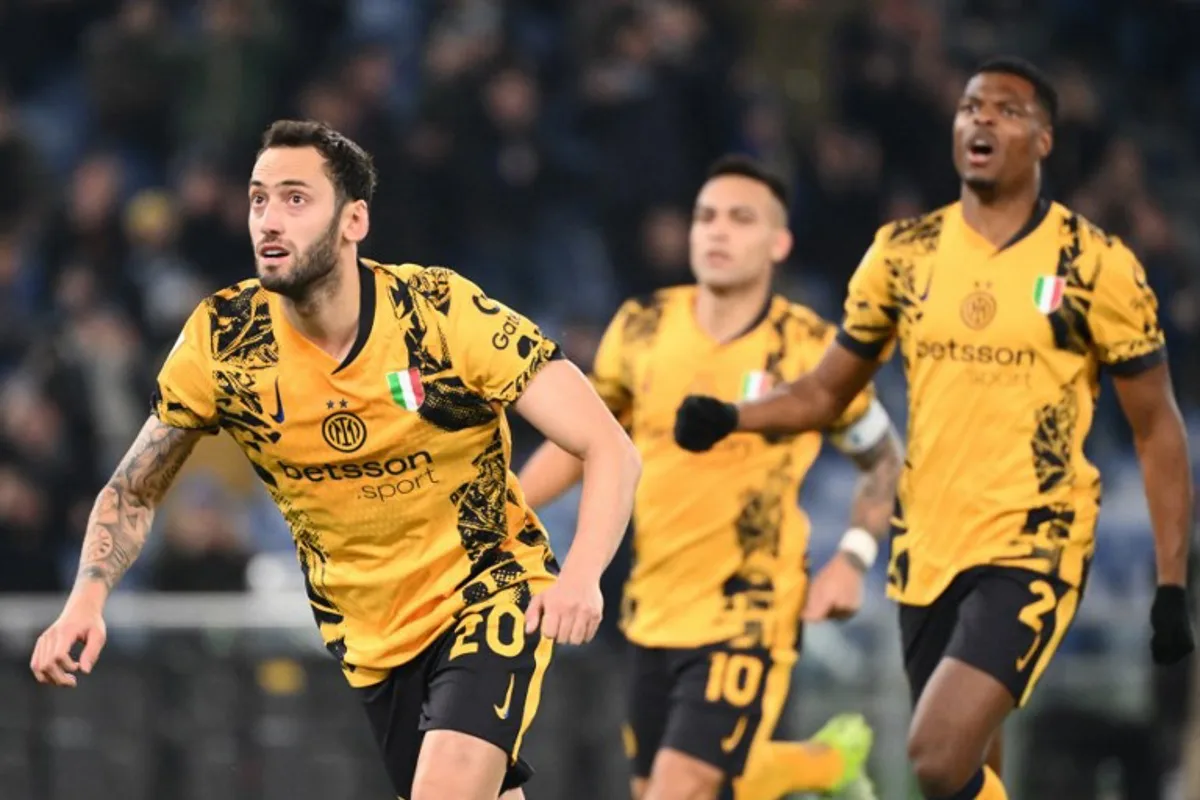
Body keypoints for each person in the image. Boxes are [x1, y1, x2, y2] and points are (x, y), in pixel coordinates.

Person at [30, 120, 642, 800]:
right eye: (259, 198)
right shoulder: (224, 342)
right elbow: (135, 489)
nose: (269, 218)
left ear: (354, 221)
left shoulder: (438, 313)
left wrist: (582, 574)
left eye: (296, 199)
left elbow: (607, 444)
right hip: (371, 640)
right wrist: (86, 600)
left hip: (486, 594)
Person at [674, 57, 1196, 800]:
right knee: (969, 777)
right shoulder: (903, 254)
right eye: (970, 106)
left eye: (1006, 109)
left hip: (1033, 543)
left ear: (1044, 140)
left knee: (935, 757)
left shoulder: (1094, 265)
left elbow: (1157, 428)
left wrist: (1172, 583)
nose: (981, 118)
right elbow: (827, 390)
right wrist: (733, 416)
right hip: (926, 547)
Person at [519, 155, 902, 800]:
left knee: (680, 789)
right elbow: (586, 442)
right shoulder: (640, 327)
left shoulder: (810, 349)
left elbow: (884, 460)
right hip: (653, 605)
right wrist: (507, 506)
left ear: (778, 242)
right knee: (669, 788)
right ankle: (819, 767)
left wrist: (851, 560)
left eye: (740, 219)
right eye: (706, 217)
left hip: (750, 608)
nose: (717, 232)